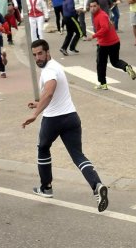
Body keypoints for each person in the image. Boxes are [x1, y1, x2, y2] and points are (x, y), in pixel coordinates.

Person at [22, 39, 110, 212]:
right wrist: (37, 104)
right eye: (34, 55)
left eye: (40, 53)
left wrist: (34, 114)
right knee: (78, 156)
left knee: (43, 148)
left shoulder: (48, 71)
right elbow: (49, 95)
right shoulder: (55, 66)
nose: (38, 58)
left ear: (48, 52)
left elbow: (49, 91)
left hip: (53, 120)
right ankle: (97, 185)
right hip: (71, 117)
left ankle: (46, 187)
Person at [89, 0, 136, 90]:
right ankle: (126, 67)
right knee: (115, 62)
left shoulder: (101, 15)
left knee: (101, 64)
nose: (92, 8)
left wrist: (93, 36)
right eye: (91, 6)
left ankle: (103, 84)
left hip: (105, 45)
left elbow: (105, 29)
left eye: (94, 6)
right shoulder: (101, 15)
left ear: (98, 6)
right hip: (114, 42)